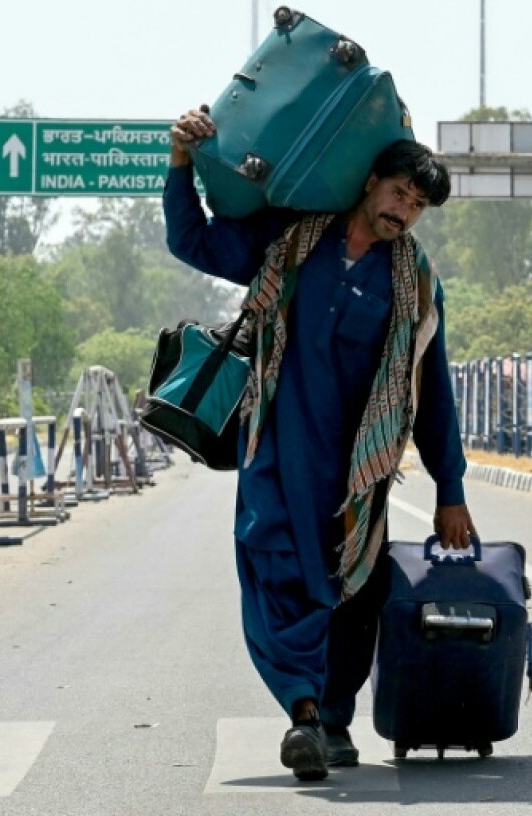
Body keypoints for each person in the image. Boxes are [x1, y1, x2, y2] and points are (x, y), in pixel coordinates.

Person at [164, 105, 477, 781]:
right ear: (369, 181)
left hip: (357, 472)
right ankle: (302, 713)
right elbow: (194, 243)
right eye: (399, 192)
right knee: (272, 570)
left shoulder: (415, 286)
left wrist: (451, 490)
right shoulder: (289, 242)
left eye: (418, 205)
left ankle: (332, 718)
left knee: (353, 593)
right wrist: (182, 164)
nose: (404, 211)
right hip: (277, 452)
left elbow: (434, 393)